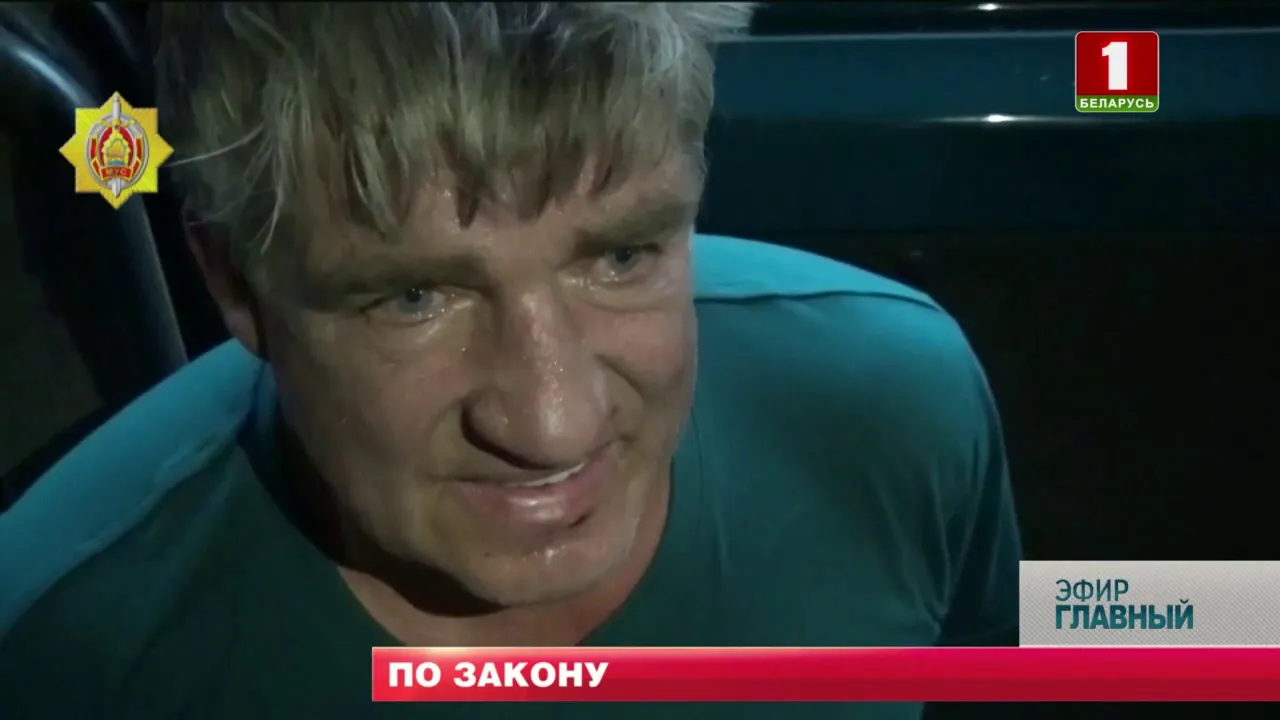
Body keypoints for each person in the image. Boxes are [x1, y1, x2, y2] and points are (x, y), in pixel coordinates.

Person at [0, 3, 1020, 718]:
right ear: (236, 285)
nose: (553, 423)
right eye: (414, 297)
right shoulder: (67, 648)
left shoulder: (897, 410)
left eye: (619, 257)